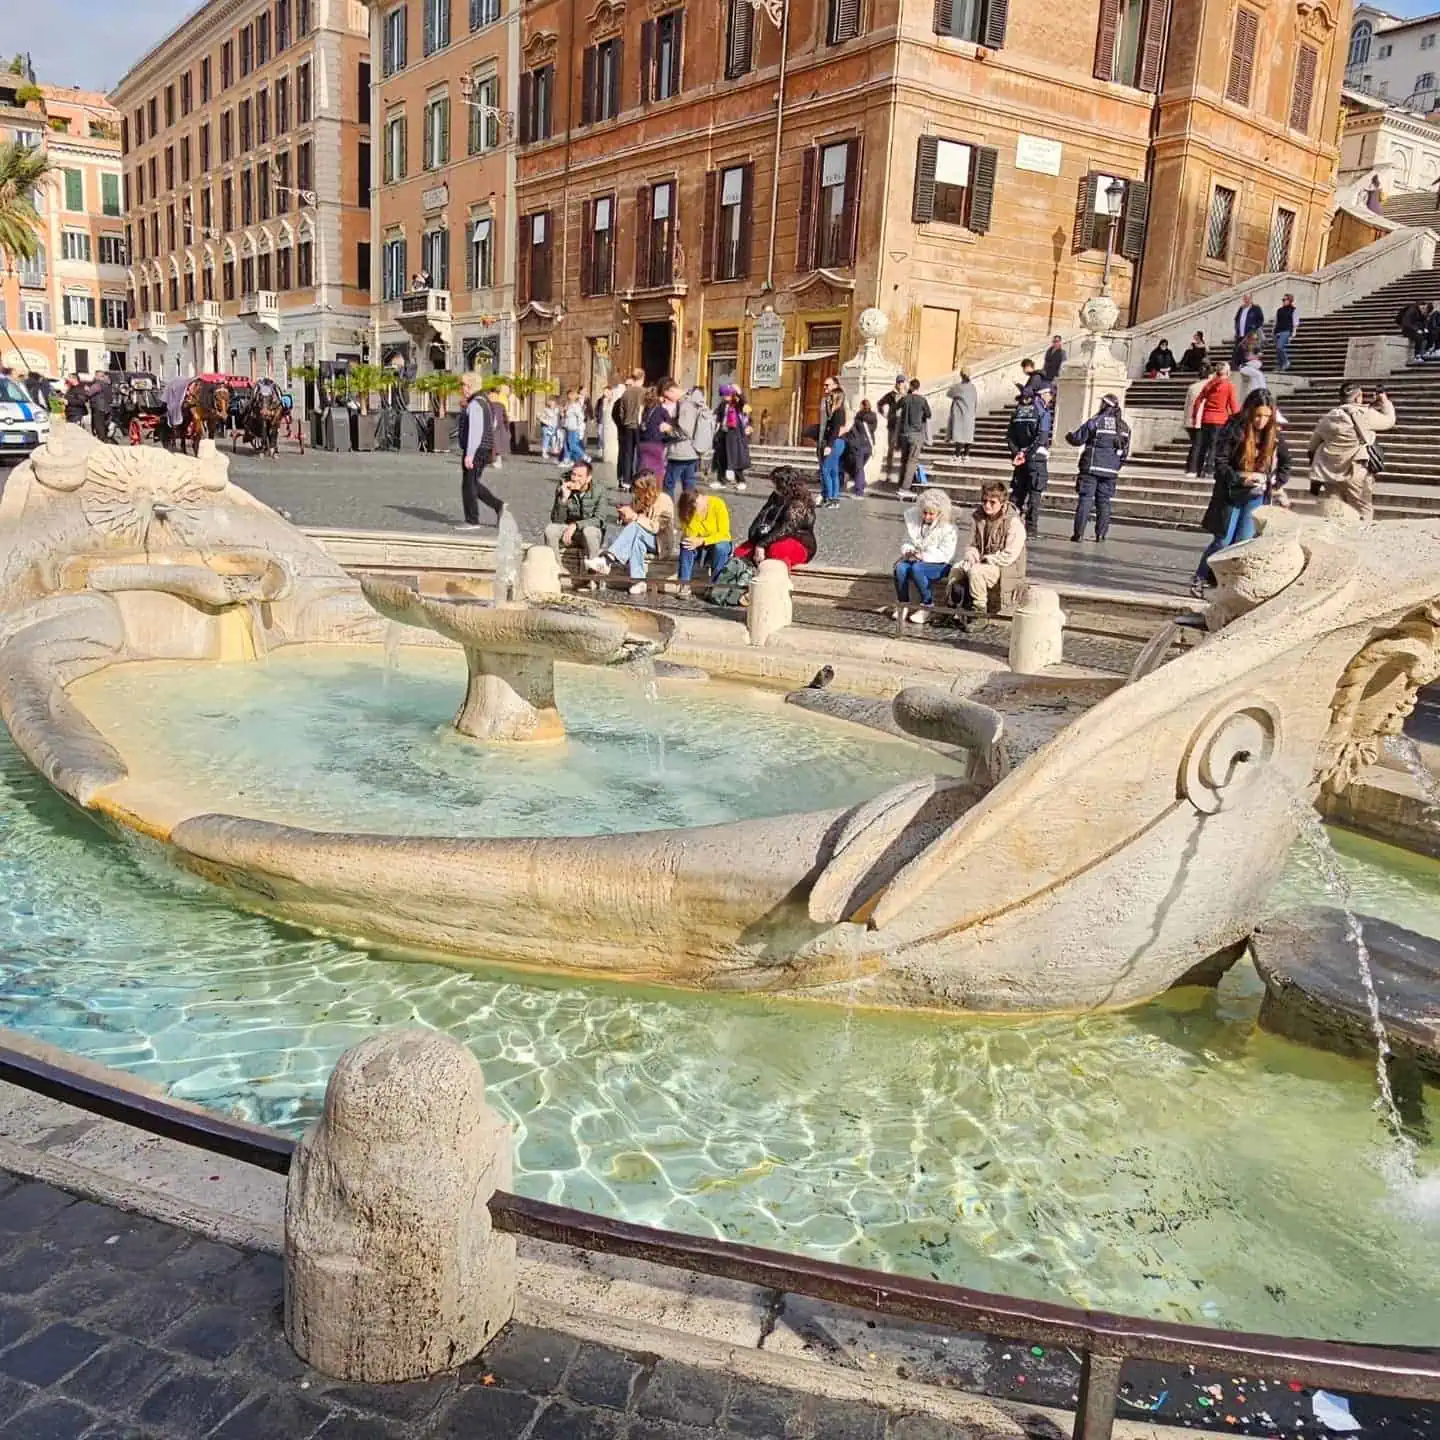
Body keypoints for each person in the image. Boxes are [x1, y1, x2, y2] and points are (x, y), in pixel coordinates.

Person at [1191, 388, 1290, 596]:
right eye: (1257, 416)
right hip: (1230, 492)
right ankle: (1200, 577)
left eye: (1266, 416)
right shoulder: (1234, 429)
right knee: (1223, 540)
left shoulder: (1274, 434)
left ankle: (1226, 585)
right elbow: (1220, 463)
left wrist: (1276, 481)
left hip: (1256, 494)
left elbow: (1286, 463)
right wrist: (1240, 477)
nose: (1261, 421)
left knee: (1243, 540)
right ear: (1249, 412)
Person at [1306, 382, 1396, 522]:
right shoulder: (1365, 415)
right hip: (1356, 471)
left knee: (1334, 510)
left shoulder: (1329, 418)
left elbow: (1312, 446)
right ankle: (1361, 537)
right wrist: (1384, 402)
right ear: (1357, 397)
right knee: (1363, 509)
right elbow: (1389, 420)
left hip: (1329, 472)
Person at [951, 480, 1027, 631]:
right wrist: (971, 554)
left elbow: (1010, 555)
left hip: (1005, 567)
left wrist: (988, 559)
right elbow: (972, 543)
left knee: (976, 572)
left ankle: (980, 614)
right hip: (982, 561)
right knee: (957, 568)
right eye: (984, 501)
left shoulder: (1013, 522)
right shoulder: (978, 517)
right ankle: (950, 608)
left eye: (992, 502)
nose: (987, 505)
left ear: (1002, 502)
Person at [596, 472, 675, 594]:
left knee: (636, 527)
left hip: (660, 543)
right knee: (637, 542)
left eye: (638, 488)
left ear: (647, 487)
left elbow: (656, 527)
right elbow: (630, 527)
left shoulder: (665, 500)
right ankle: (639, 581)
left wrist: (635, 516)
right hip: (642, 537)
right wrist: (624, 516)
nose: (635, 491)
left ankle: (608, 559)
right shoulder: (639, 499)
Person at [1067, 394, 1131, 543]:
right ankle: (1101, 535)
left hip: (1091, 467)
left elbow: (1078, 438)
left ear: (1104, 405)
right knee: (1104, 502)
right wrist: (1116, 466)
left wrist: (1069, 436)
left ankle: (1078, 534)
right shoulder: (1124, 426)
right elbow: (1125, 451)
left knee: (1085, 500)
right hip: (1110, 471)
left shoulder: (1096, 421)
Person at [892, 489, 959, 624]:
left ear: (940, 513)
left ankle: (927, 605)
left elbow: (946, 554)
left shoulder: (949, 528)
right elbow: (907, 541)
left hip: (939, 563)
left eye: (931, 514)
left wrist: (924, 555)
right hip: (916, 558)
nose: (927, 516)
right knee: (900, 568)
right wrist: (909, 551)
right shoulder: (915, 522)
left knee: (917, 569)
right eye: (925, 512)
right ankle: (903, 603)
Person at [734, 466, 817, 571]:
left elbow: (787, 529)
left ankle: (776, 580)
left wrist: (761, 545)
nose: (773, 486)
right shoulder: (776, 495)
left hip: (797, 541)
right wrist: (754, 537)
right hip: (770, 535)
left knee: (776, 552)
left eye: (775, 483)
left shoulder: (798, 503)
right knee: (740, 552)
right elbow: (762, 515)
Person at [456, 371, 504, 529]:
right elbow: (494, 424)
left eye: (462, 385)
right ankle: (499, 507)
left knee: (469, 485)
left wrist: (469, 454)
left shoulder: (476, 404)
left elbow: (475, 432)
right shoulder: (486, 401)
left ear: (469, 386)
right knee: (473, 483)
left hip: (476, 449)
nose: (461, 388)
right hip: (484, 448)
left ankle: (472, 519)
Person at [1006, 382, 1052, 537]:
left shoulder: (1018, 411)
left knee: (1017, 493)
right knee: (1034, 493)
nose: (1051, 397)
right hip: (1036, 459)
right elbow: (1042, 437)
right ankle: (1031, 528)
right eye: (1050, 394)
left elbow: (1010, 436)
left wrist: (1017, 453)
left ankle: (1008, 524)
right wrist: (1028, 453)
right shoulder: (1042, 412)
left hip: (1020, 458)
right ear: (1042, 394)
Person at [544, 458, 606, 569]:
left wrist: (576, 525)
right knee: (550, 530)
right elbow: (556, 520)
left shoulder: (599, 491)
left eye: (580, 476)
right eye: (574, 474)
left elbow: (599, 519)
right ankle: (556, 568)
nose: (575, 479)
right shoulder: (563, 487)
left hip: (589, 533)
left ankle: (593, 572)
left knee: (589, 531)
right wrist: (563, 499)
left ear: (588, 478)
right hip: (568, 533)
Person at [675, 489, 733, 596]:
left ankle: (715, 584)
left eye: (698, 502)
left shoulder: (717, 504)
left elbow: (724, 534)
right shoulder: (688, 511)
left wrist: (702, 541)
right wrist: (694, 516)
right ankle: (684, 583)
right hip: (699, 542)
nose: (698, 506)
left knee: (721, 548)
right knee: (686, 543)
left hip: (719, 541)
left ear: (700, 497)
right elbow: (690, 534)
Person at [1192, 361, 1239, 477]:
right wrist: (1238, 418)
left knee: (1203, 445)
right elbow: (1233, 405)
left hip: (1206, 418)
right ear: (1227, 372)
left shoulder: (1209, 385)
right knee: (1214, 446)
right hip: (1220, 420)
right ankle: (1209, 469)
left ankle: (1197, 469)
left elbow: (1198, 401)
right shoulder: (1229, 386)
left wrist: (1195, 416)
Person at [657, 379, 702, 496]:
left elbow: (684, 431)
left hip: (681, 452)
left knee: (668, 484)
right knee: (689, 486)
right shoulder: (692, 399)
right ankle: (689, 512)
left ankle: (668, 512)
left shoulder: (685, 404)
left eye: (666, 396)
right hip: (691, 451)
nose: (666, 400)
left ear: (671, 391)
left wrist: (668, 428)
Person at [712, 384, 752, 491]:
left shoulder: (737, 404)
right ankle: (721, 480)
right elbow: (719, 417)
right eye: (723, 395)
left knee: (735, 458)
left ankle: (741, 481)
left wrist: (740, 392)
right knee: (721, 458)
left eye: (726, 395)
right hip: (723, 434)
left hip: (735, 435)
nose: (724, 397)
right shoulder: (722, 404)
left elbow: (744, 402)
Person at [896, 378, 932, 495]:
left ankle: (900, 483)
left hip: (904, 433)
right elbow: (928, 414)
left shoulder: (905, 399)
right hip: (916, 434)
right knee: (912, 461)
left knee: (904, 459)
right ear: (919, 387)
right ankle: (905, 488)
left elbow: (896, 407)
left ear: (911, 387)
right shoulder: (922, 400)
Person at [817, 374, 849, 507]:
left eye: (831, 398)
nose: (828, 400)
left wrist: (829, 445)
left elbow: (836, 429)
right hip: (836, 442)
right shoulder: (835, 410)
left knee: (826, 470)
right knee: (833, 470)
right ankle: (834, 498)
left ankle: (830, 497)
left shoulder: (839, 411)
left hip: (834, 442)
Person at [617, 368, 646, 485]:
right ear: (643, 378)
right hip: (639, 427)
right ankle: (638, 479)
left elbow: (621, 412)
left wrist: (624, 421)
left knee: (628, 454)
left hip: (628, 426)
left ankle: (627, 480)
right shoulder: (644, 392)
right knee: (640, 454)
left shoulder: (626, 393)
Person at [1182, 365, 1212, 476]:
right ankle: (1193, 469)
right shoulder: (1209, 387)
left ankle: (1189, 467)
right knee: (1198, 445)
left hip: (1190, 419)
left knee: (1195, 444)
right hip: (1200, 419)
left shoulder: (1192, 387)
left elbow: (1186, 405)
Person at [877, 374, 905, 479]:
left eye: (902, 382)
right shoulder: (891, 395)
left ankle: (901, 474)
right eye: (899, 382)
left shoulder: (907, 395)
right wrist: (884, 415)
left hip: (903, 425)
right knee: (891, 449)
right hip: (893, 424)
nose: (900, 384)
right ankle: (888, 473)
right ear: (896, 384)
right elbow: (879, 403)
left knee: (903, 449)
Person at [846, 397, 876, 495]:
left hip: (860, 445)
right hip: (869, 446)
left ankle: (859, 491)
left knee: (858, 467)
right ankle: (862, 483)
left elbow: (852, 432)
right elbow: (872, 430)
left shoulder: (858, 418)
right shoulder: (873, 417)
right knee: (860, 467)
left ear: (862, 406)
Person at [637, 386, 667, 479]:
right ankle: (656, 490)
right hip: (657, 443)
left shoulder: (644, 410)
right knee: (658, 470)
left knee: (644, 468)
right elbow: (669, 425)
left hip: (643, 442)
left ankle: (643, 487)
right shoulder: (662, 411)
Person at [947, 373, 977, 460]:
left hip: (960, 414)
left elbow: (949, 393)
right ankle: (966, 454)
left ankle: (957, 454)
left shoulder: (958, 387)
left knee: (959, 435)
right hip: (970, 414)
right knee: (968, 435)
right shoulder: (973, 388)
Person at [560, 387, 587, 467]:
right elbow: (565, 415)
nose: (568, 397)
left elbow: (581, 416)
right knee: (566, 444)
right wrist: (563, 412)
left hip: (573, 428)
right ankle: (567, 460)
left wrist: (578, 425)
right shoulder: (568, 404)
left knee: (572, 445)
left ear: (573, 396)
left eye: (570, 395)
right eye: (568, 395)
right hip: (567, 427)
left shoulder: (576, 405)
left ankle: (584, 456)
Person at [1273, 294, 1298, 372]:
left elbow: (1295, 322)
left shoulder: (1294, 310)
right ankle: (1280, 366)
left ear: (1290, 300)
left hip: (1286, 331)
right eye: (1282, 300)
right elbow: (1276, 321)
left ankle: (1286, 362)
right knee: (1277, 350)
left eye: (1285, 300)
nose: (1283, 301)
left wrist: (1294, 333)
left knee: (1279, 347)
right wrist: (1273, 331)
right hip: (1277, 331)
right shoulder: (1279, 310)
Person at [87, 371, 114, 441]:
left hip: (99, 408)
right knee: (104, 426)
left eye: (95, 376)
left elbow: (89, 393)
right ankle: (105, 439)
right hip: (108, 408)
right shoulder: (108, 385)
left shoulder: (97, 385)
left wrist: (87, 389)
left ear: (97, 376)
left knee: (99, 427)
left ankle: (102, 442)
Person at [539, 393, 561, 460]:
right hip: (547, 426)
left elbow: (559, 418)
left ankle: (554, 449)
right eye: (551, 401)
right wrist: (546, 423)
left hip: (554, 426)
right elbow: (541, 417)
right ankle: (544, 452)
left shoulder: (557, 410)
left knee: (554, 438)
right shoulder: (546, 410)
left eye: (553, 401)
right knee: (547, 438)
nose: (552, 403)